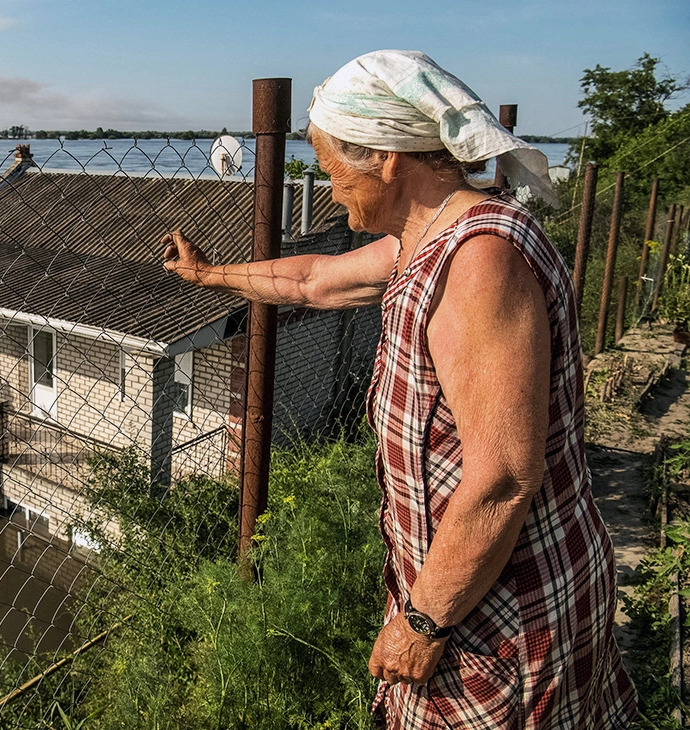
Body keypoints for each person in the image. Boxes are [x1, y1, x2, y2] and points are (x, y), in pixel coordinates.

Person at [161, 50, 636, 729]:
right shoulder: (431, 238)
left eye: (330, 169)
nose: (328, 190)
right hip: (477, 585)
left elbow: (502, 478)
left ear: (386, 158)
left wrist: (423, 619)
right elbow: (312, 281)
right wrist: (210, 277)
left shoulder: (477, 263)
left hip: (503, 607)